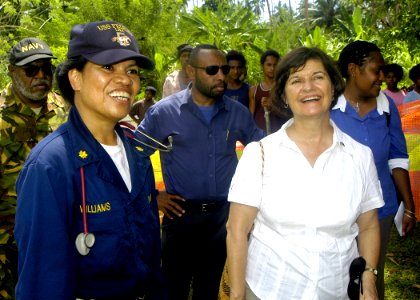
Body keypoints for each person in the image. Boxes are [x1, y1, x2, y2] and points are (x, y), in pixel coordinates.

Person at [14, 21, 164, 300]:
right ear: (75, 79)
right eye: (108, 67)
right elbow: (42, 284)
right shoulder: (50, 166)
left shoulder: (138, 153)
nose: (125, 80)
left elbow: (150, 256)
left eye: (131, 70)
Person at [227, 46, 384, 300]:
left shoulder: (359, 156)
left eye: (318, 77)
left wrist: (368, 275)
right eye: (296, 80)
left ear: (333, 87)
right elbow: (236, 231)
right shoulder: (260, 154)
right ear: (284, 96)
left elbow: (367, 226)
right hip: (269, 290)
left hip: (337, 290)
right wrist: (236, 295)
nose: (308, 87)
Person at [138, 44, 264, 300]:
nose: (222, 76)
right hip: (181, 216)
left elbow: (262, 151)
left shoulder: (236, 113)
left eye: (224, 69)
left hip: (222, 218)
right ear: (191, 72)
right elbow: (134, 157)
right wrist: (153, 195)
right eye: (212, 69)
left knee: (213, 285)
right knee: (174, 286)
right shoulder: (164, 112)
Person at [330, 40, 416, 300]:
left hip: (381, 210)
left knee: (371, 275)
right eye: (375, 71)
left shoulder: (387, 108)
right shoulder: (328, 109)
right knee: (338, 278)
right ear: (354, 69)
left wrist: (409, 207)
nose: (381, 77)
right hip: (337, 212)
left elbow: (398, 158)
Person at [0, 37, 67, 295]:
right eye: (31, 70)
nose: (41, 76)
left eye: (46, 69)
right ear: (12, 71)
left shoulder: (67, 110)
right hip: (7, 244)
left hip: (57, 236)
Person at [249, 49, 290, 134]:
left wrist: (273, 106)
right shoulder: (254, 90)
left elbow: (290, 114)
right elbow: (250, 117)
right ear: (262, 66)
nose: (272, 68)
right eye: (269, 65)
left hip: (280, 134)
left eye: (275, 65)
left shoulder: (284, 88)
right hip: (260, 136)